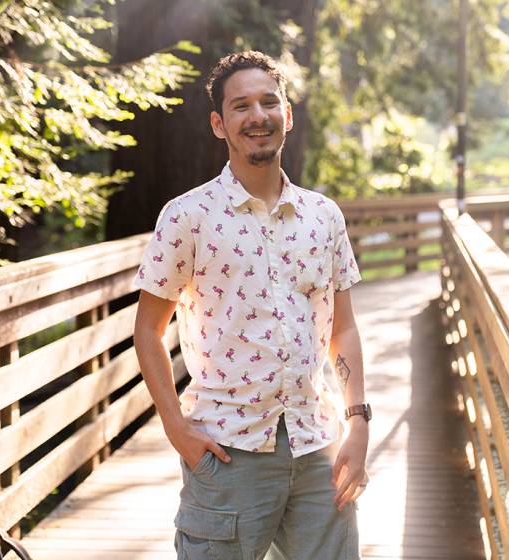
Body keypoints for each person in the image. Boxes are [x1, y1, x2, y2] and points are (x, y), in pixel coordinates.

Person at [133, 50, 369, 560]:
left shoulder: (323, 216)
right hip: (226, 451)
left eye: (269, 102)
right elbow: (148, 330)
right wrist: (176, 426)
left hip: (317, 447)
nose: (257, 116)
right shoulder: (187, 217)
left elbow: (342, 330)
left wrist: (359, 424)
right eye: (241, 106)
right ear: (219, 124)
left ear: (287, 115)